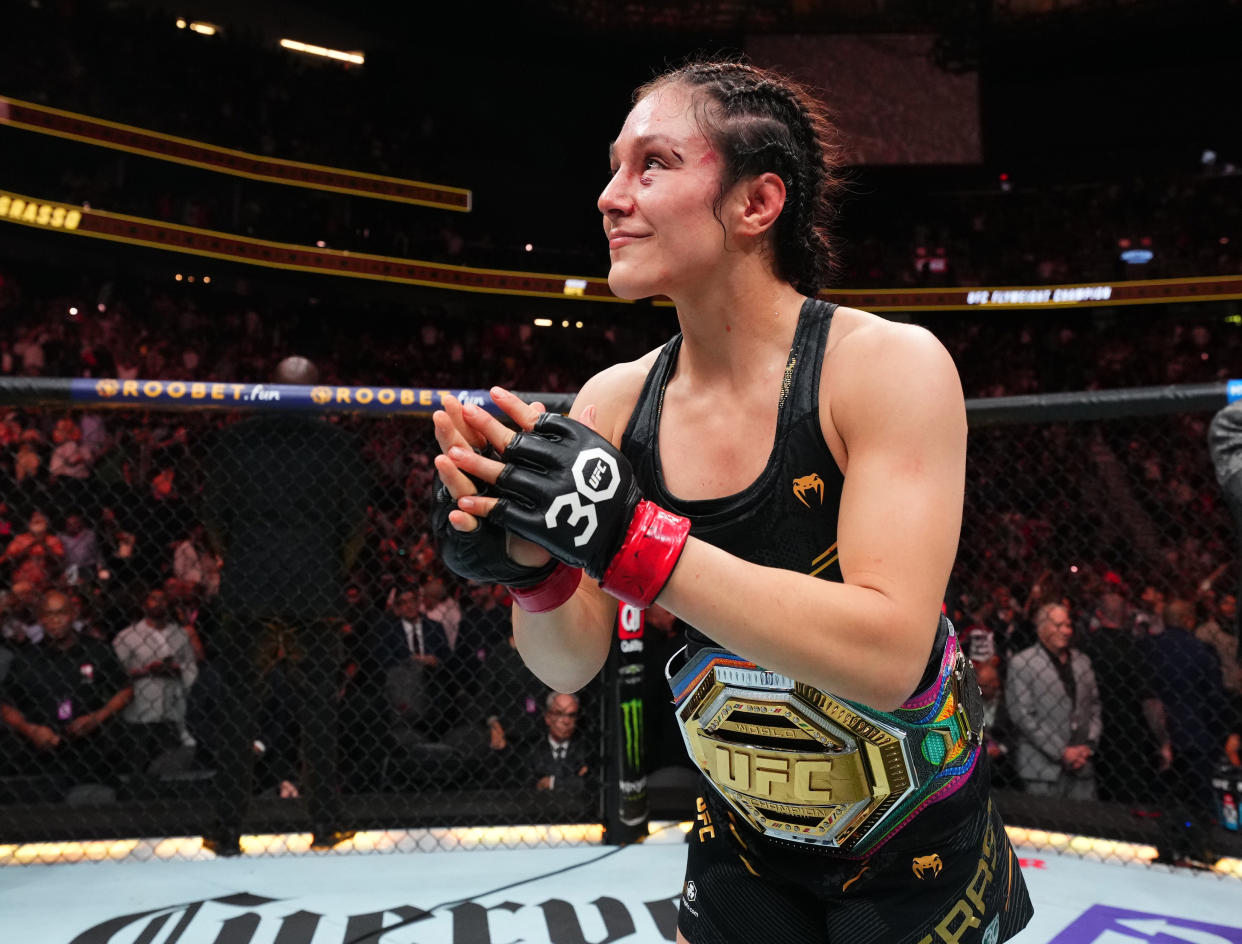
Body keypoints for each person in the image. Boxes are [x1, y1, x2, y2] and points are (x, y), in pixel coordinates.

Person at [432, 60, 1032, 943]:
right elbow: (567, 665)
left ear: (756, 204)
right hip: (742, 834)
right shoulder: (612, 403)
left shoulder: (885, 368)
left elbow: (890, 649)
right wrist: (527, 571)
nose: (609, 196)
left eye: (654, 164)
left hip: (913, 843)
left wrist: (635, 540)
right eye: (613, 165)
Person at [199, 355, 372, 855]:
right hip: (313, 588)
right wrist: (326, 568)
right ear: (316, 392)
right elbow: (353, 527)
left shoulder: (235, 441)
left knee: (238, 712)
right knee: (318, 713)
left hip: (250, 586)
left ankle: (226, 830)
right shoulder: (337, 445)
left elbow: (215, 519)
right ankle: (324, 825)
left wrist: (241, 560)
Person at [0, 589, 135, 799]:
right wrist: (29, 729)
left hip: (92, 753)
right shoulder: (27, 659)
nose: (55, 620)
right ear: (40, 619)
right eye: (48, 614)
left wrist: (96, 718)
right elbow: (5, 704)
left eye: (61, 613)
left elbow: (126, 690)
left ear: (73, 615)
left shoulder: (97, 650)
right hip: (41, 757)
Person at [1006, 603, 1102, 800]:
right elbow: (1023, 715)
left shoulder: (1082, 662)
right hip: (1041, 769)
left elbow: (1094, 706)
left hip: (1082, 767)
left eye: (1068, 625)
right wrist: (1061, 751)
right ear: (1042, 627)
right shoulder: (1022, 663)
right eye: (1059, 626)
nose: (1066, 631)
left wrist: (1088, 746)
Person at [528, 691, 589, 792]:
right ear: (548, 717)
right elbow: (528, 786)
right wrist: (572, 781)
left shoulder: (586, 749)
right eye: (559, 714)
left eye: (571, 715)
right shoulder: (532, 750)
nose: (566, 721)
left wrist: (552, 783)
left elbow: (589, 783)